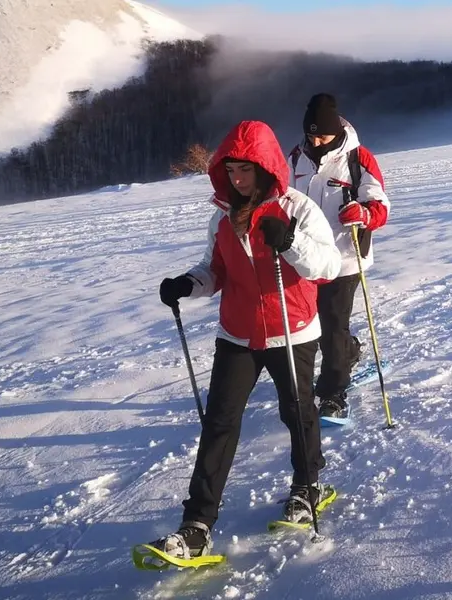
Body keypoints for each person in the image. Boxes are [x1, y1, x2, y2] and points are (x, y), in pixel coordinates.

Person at [149, 120, 344, 560]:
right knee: (219, 423)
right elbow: (213, 270)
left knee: (297, 412)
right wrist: (187, 284)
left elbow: (328, 266)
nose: (237, 180)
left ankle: (308, 486)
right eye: (231, 171)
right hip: (237, 333)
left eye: (246, 171)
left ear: (265, 167)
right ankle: (196, 525)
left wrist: (291, 242)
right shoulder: (221, 216)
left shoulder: (297, 209)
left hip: (291, 329)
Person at [286, 93, 391, 422]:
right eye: (311, 134)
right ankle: (350, 349)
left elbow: (380, 206)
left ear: (337, 131)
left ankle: (332, 394)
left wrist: (362, 212)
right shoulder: (296, 158)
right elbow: (284, 198)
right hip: (304, 256)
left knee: (331, 326)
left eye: (322, 135)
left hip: (344, 256)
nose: (315, 141)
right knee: (308, 326)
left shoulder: (358, 159)